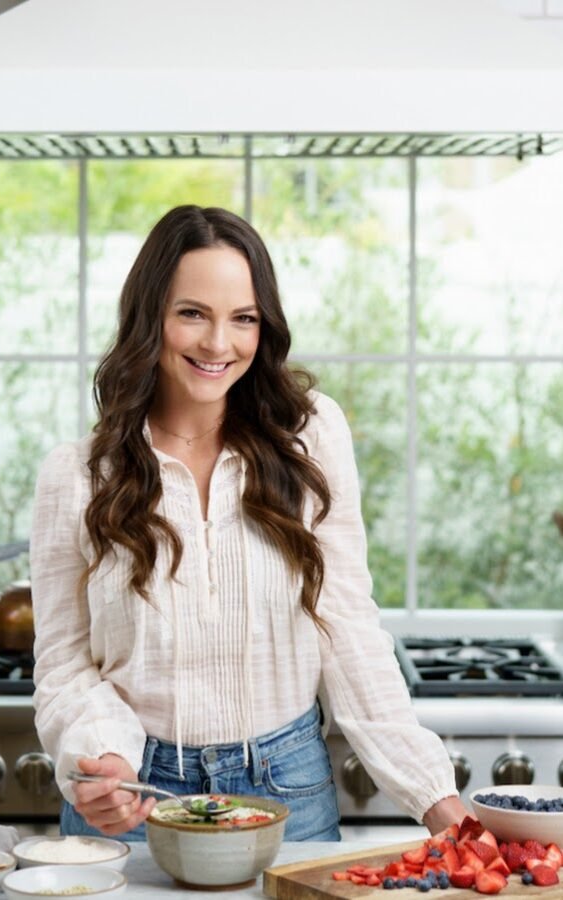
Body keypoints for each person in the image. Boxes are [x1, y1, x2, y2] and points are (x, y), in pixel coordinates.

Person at [30, 204, 470, 842]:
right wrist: (102, 759)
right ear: (148, 318)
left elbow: (346, 625)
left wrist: (435, 798)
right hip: (136, 801)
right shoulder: (76, 475)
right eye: (192, 314)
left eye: (244, 319)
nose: (218, 344)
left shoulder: (309, 438)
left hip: (285, 791)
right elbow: (65, 664)